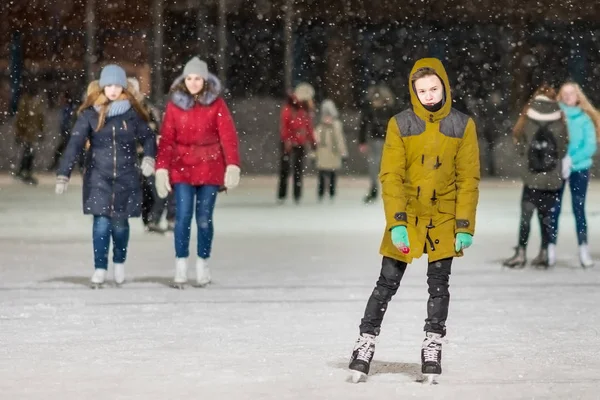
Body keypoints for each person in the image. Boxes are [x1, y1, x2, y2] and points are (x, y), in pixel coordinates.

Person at [347, 58, 480, 384]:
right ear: (413, 91)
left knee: (439, 286)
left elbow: (468, 180)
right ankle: (365, 341)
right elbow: (390, 176)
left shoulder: (463, 125)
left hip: (445, 217)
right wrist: (398, 223)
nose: (429, 95)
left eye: (434, 88)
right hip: (409, 215)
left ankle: (432, 343)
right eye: (422, 90)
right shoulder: (400, 123)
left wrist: (464, 226)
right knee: (386, 283)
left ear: (445, 87)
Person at [55, 64, 157, 288]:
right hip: (97, 177)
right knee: (101, 223)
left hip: (126, 176)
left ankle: (119, 262)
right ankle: (100, 268)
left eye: (117, 85)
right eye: (108, 85)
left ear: (123, 88)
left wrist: (149, 158)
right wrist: (64, 173)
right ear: (101, 87)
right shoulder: (90, 114)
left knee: (120, 225)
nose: (112, 90)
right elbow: (74, 144)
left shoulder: (131, 114)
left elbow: (149, 137)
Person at [155, 57, 241, 288]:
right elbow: (166, 141)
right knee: (182, 217)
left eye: (198, 78)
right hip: (182, 168)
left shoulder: (217, 104)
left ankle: (203, 263)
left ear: (205, 80)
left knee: (204, 219)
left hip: (210, 168)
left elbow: (228, 136)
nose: (194, 83)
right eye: (190, 78)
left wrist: (232, 164)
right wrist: (161, 168)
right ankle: (181, 265)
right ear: (184, 80)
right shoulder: (174, 106)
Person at [502, 84, 569, 268]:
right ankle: (544, 253)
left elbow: (519, 144)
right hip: (552, 178)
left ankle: (521, 253)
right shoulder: (560, 117)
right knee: (546, 217)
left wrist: (528, 160)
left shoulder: (528, 115)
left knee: (526, 216)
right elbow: (562, 149)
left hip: (532, 177)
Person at [542, 82, 599, 267]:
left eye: (571, 93)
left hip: (579, 169)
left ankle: (583, 248)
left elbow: (589, 146)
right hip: (557, 169)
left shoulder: (584, 119)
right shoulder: (555, 116)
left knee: (578, 208)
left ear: (577, 97)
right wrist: (558, 160)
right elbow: (549, 140)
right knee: (554, 209)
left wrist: (571, 160)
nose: (567, 97)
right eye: (564, 93)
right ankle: (550, 248)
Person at [277, 82, 316, 204]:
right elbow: (284, 125)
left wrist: (312, 141)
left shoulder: (305, 109)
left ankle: (297, 195)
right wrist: (287, 139)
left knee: (297, 170)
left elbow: (308, 126)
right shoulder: (289, 108)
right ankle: (282, 195)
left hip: (300, 143)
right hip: (288, 142)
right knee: (285, 169)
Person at [358, 83, 396, 204]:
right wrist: (362, 140)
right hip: (379, 140)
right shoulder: (377, 109)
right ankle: (377, 189)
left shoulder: (384, 109)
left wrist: (362, 140)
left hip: (385, 140)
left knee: (379, 165)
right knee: (376, 164)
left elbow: (364, 124)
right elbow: (364, 124)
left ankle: (380, 189)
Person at [313, 99, 348, 202]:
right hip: (323, 155)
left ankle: (332, 193)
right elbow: (315, 143)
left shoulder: (337, 126)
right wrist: (313, 155)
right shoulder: (319, 128)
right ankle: (321, 193)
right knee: (322, 176)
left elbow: (340, 140)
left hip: (334, 154)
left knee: (333, 175)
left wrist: (343, 152)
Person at [14, 83, 45, 185]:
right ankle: (25, 171)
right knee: (28, 152)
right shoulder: (26, 101)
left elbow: (40, 118)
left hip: (32, 132)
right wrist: (20, 132)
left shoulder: (36, 101)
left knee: (29, 152)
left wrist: (41, 130)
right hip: (28, 132)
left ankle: (24, 171)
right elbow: (21, 118)